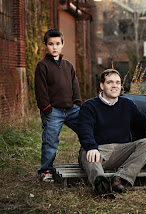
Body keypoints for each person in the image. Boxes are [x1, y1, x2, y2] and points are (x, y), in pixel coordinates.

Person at [77, 69, 146, 198]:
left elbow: (144, 124)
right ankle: (101, 186)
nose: (115, 86)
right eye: (110, 82)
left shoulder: (128, 104)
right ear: (102, 85)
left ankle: (120, 178)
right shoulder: (89, 106)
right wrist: (91, 146)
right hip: (100, 151)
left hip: (122, 150)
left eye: (118, 82)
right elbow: (85, 129)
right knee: (87, 153)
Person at [35, 28, 82, 182]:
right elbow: (40, 89)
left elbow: (74, 84)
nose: (54, 47)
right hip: (53, 111)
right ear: (46, 46)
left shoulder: (68, 65)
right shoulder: (42, 66)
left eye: (57, 43)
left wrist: (77, 101)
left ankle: (90, 159)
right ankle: (46, 169)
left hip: (71, 109)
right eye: (50, 44)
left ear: (62, 44)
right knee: (50, 140)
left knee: (87, 128)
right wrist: (46, 108)